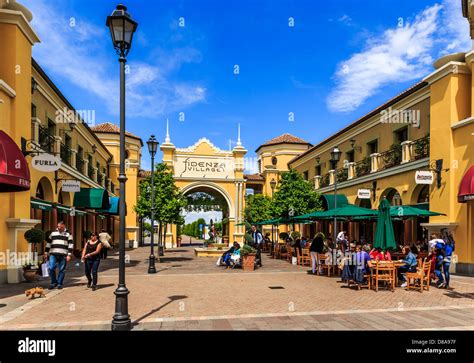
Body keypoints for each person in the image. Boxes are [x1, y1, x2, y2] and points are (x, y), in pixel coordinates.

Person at [44, 221, 74, 289]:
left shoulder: (68, 234)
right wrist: (46, 253)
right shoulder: (53, 233)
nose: (59, 228)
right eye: (58, 227)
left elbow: (71, 244)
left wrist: (69, 255)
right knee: (51, 268)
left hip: (63, 254)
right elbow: (48, 243)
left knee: (62, 269)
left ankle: (59, 283)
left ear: (64, 226)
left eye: (61, 227)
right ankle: (53, 282)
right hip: (53, 254)